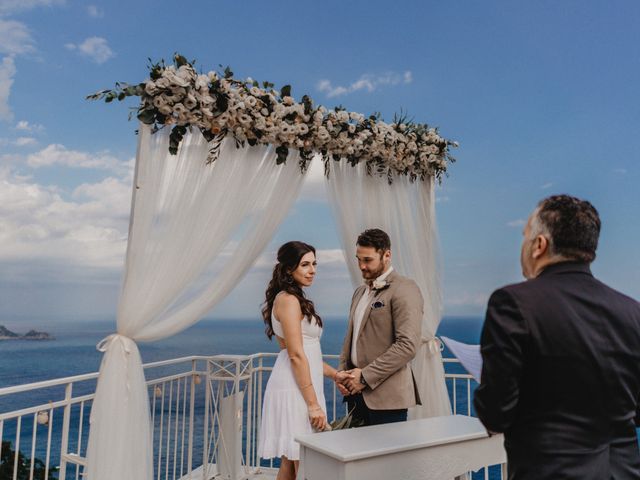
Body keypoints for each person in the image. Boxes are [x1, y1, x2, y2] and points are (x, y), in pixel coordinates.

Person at [474, 195, 640, 479]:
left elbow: (496, 412)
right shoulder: (632, 311)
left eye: (525, 236)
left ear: (540, 245)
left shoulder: (513, 303)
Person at [257, 241, 349, 480]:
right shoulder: (288, 300)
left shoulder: (290, 298)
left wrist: (334, 374)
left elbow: (305, 354)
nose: (312, 270)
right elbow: (295, 354)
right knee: (306, 466)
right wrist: (313, 404)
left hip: (299, 383)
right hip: (296, 390)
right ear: (289, 269)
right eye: (305, 264)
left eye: (314, 264)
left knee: (290, 462)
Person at [336, 228, 423, 426]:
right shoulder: (359, 292)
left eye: (367, 260)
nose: (361, 266)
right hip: (355, 395)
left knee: (388, 458)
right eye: (358, 259)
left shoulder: (405, 289)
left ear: (387, 255)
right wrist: (342, 374)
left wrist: (364, 377)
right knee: (356, 456)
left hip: (387, 400)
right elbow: (350, 338)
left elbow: (407, 345)